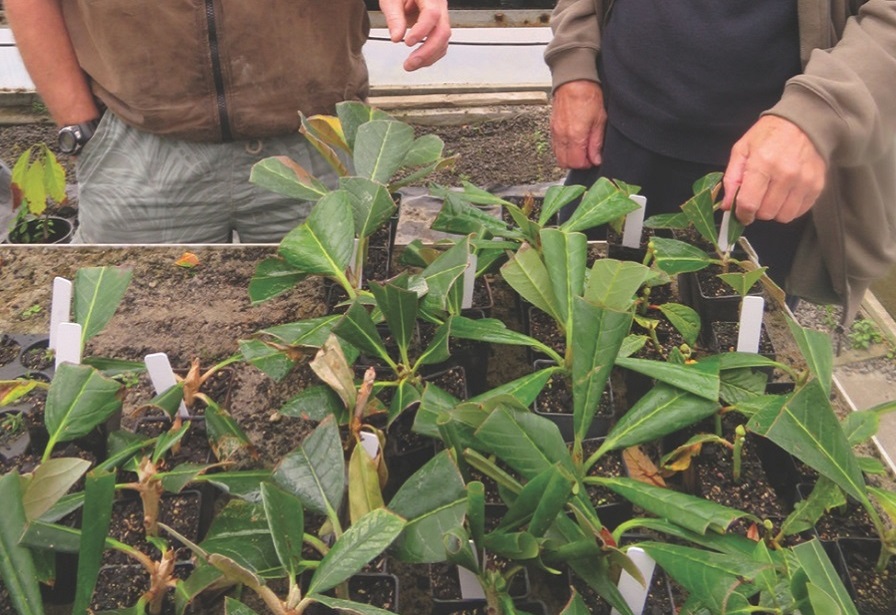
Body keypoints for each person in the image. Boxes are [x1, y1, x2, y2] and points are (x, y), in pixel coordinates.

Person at [545, 0, 896, 319]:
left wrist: (819, 111)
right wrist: (574, 59)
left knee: (726, 353)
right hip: (613, 139)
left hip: (764, 176)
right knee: (580, 321)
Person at [5, 0, 451, 244]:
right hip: (139, 146)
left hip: (314, 141)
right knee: (133, 362)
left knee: (328, 349)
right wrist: (79, 124)